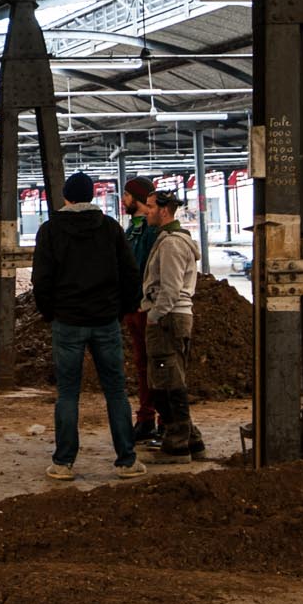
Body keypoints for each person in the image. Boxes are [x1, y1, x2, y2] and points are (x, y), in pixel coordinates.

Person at [32, 171, 146, 482]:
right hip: (105, 321)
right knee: (116, 392)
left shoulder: (51, 230)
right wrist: (121, 309)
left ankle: (63, 463)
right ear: (92, 197)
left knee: (68, 394)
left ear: (66, 198)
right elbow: (130, 274)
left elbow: (41, 280)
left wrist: (50, 313)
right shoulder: (110, 228)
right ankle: (126, 460)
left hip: (68, 321)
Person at [141, 189, 205, 459]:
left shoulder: (171, 244)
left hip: (168, 318)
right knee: (171, 378)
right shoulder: (172, 240)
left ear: (164, 211)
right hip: (174, 316)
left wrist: (155, 316)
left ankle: (177, 444)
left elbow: (170, 288)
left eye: (151, 206)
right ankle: (192, 440)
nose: (147, 211)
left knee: (165, 382)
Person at [119, 177, 160, 444]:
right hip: (134, 307)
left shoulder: (149, 231)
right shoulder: (131, 229)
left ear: (137, 198)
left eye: (126, 195)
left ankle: (159, 420)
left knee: (154, 364)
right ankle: (146, 419)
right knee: (143, 364)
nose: (123, 200)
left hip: (147, 307)